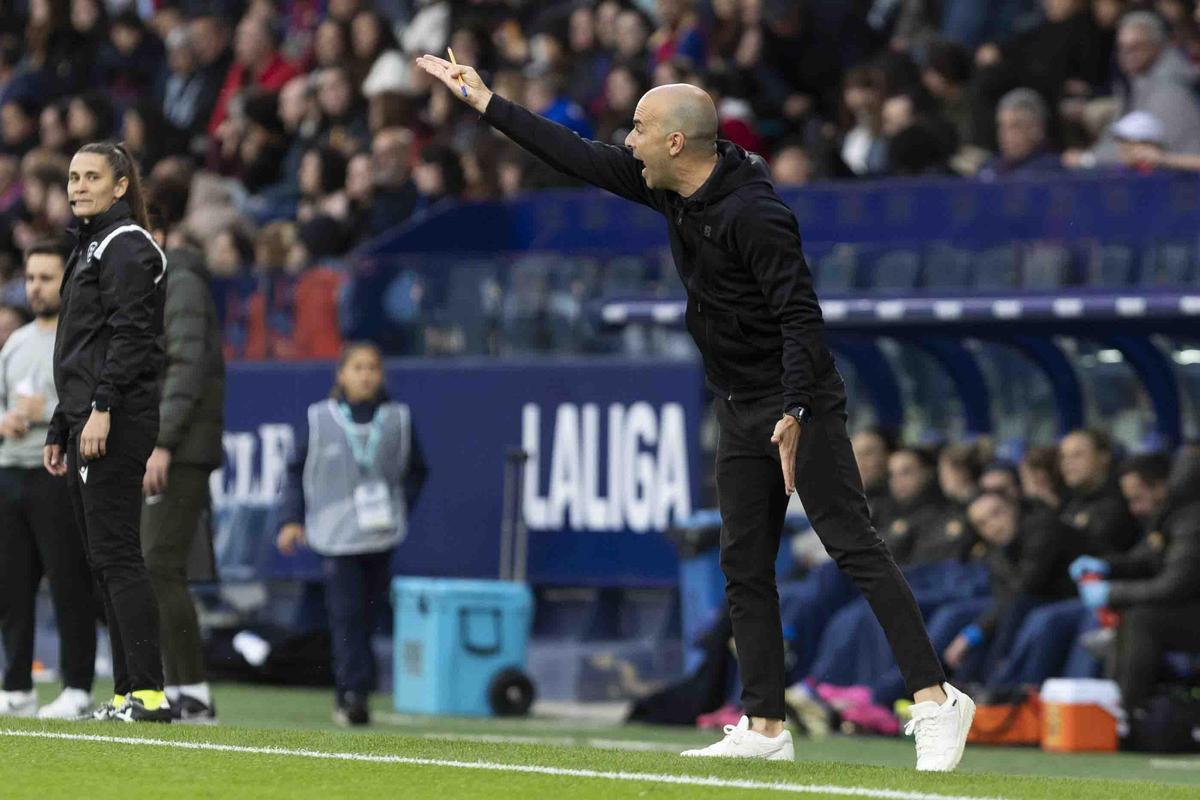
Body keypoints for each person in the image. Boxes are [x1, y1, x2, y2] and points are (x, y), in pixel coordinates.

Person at [416, 54, 973, 770]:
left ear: (676, 141)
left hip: (798, 405)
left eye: (640, 128)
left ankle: (936, 700)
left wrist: (798, 409)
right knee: (744, 565)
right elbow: (578, 157)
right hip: (738, 404)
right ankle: (766, 725)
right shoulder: (671, 190)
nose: (629, 139)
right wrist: (488, 101)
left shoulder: (757, 214)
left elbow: (802, 317)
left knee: (853, 546)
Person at [44, 141, 169, 723]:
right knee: (104, 559)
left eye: (91, 176)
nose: (78, 186)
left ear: (121, 186)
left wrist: (101, 407)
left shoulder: (124, 246)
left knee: (118, 555)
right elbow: (79, 346)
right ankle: (125, 694)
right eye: (72, 177)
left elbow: (131, 336)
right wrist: (60, 420)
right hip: (88, 417)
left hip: (113, 418)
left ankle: (147, 692)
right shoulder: (92, 245)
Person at [277, 342, 427, 726]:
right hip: (336, 534)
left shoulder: (397, 419)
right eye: (357, 368)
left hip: (379, 533)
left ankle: (360, 686)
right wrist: (292, 519)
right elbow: (297, 471)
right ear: (341, 375)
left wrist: (399, 507)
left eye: (372, 368)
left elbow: (416, 469)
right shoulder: (320, 418)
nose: (365, 375)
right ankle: (351, 692)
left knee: (369, 614)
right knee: (345, 614)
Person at [0, 238, 99, 719]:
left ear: (67, 279)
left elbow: (97, 400)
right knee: (12, 588)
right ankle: (16, 686)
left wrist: (50, 413)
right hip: (9, 472)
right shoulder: (15, 342)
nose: (35, 287)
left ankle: (77, 686)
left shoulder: (80, 337)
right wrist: (5, 421)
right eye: (31, 277)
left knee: (68, 582)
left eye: (45, 278)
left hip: (55, 472)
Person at [140, 217, 225, 723]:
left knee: (160, 563)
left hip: (178, 447)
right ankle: (173, 686)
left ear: (159, 236)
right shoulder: (157, 284)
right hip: (161, 443)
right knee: (152, 565)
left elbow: (186, 365)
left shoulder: (180, 282)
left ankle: (192, 690)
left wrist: (163, 441)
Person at [1071, 453, 1200, 712]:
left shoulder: (1191, 519)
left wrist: (1112, 592)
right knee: (1130, 615)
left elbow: (1174, 586)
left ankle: (1125, 712)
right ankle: (1107, 706)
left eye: (1137, 498)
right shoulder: (1168, 515)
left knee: (1142, 618)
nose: (1134, 509)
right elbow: (1143, 558)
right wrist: (1106, 566)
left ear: (1161, 487)